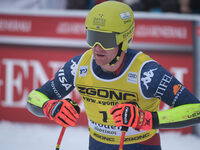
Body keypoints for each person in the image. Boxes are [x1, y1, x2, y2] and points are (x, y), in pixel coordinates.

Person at [26, 1, 200, 150]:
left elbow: (195, 110)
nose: (97, 47)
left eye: (106, 40)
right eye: (92, 37)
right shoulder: (78, 66)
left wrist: (147, 119)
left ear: (124, 41)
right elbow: (34, 98)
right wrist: (50, 107)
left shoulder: (147, 73)